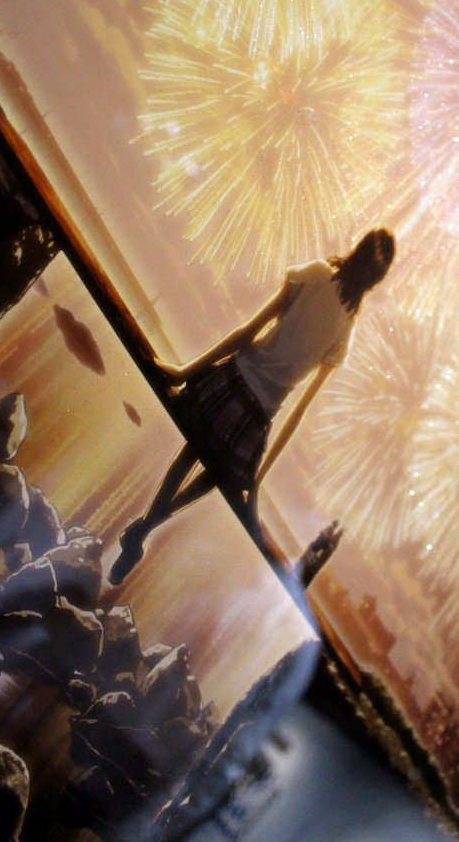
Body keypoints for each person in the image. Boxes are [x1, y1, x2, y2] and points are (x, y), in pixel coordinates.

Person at [109, 228, 395, 584]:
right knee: (220, 474)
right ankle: (144, 529)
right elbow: (300, 411)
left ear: (357, 249)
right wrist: (258, 481)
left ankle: (142, 531)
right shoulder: (346, 328)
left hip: (233, 382)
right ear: (376, 280)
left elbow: (250, 331)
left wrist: (185, 372)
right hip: (258, 415)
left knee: (192, 451)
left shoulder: (316, 275)